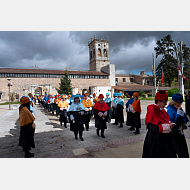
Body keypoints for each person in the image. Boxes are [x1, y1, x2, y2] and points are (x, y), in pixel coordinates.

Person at [142, 90, 177, 158]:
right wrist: (167, 127)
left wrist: (169, 123)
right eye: (164, 102)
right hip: (156, 139)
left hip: (164, 137)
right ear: (158, 101)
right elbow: (151, 126)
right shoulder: (152, 109)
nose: (166, 104)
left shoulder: (162, 109)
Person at [167, 93, 189, 158]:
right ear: (174, 102)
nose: (179, 104)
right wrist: (178, 113)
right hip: (173, 133)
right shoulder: (170, 109)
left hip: (180, 133)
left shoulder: (179, 108)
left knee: (183, 150)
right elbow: (173, 121)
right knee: (175, 150)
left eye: (181, 102)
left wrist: (184, 124)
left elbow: (184, 118)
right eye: (178, 103)